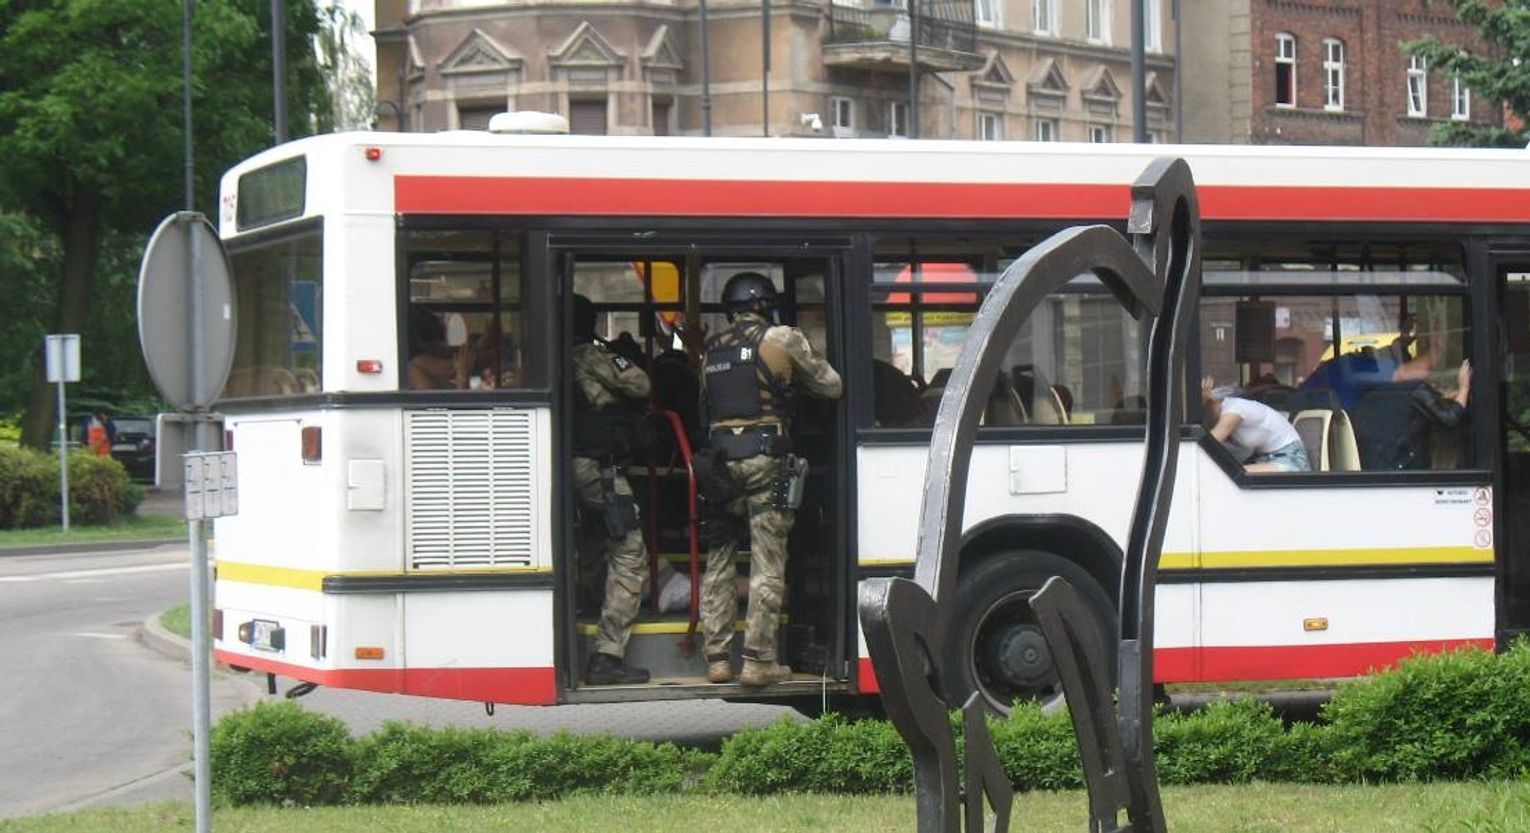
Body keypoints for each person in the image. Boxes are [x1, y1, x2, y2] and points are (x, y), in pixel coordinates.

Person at [698, 273, 842, 687]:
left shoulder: (712, 349)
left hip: (719, 463)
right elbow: (831, 386)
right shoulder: (781, 338)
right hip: (766, 458)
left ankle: (717, 658)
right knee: (767, 558)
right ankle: (758, 660)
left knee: (720, 557)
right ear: (765, 304)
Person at [570, 294, 653, 686]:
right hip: (598, 467)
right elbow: (640, 384)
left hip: (572, 465)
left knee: (591, 538)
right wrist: (620, 354)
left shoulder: (551, 356)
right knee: (630, 551)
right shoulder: (589, 354)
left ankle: (587, 603)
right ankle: (608, 654)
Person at [1351, 355, 1472, 471]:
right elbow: (1450, 418)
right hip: (1398, 464)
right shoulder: (1418, 390)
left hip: (1375, 461)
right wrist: (1464, 388)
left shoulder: (1389, 391)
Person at [1202, 379, 1311, 473]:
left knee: (1232, 474)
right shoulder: (1223, 413)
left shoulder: (1233, 411)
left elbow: (1209, 443)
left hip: (1290, 459)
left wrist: (1202, 399)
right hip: (1265, 459)